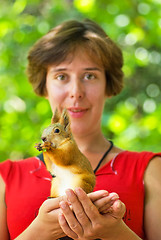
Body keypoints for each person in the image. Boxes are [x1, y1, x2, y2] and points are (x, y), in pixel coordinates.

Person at [0, 18, 161, 240]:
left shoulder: (150, 170)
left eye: (89, 76)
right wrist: (39, 232)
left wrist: (115, 232)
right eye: (61, 76)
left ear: (108, 85)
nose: (76, 91)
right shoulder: (5, 178)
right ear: (43, 85)